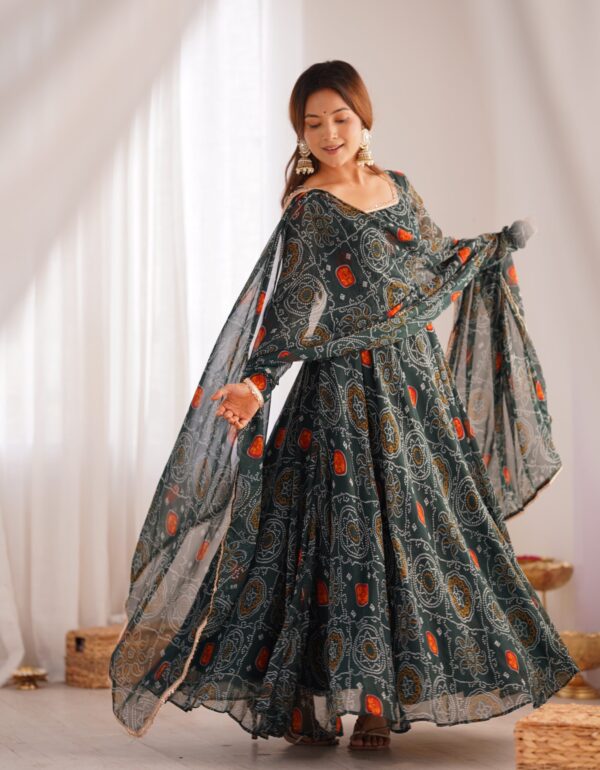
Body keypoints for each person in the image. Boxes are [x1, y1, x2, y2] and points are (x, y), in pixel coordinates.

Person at [109, 60, 580, 752]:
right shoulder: (310, 207)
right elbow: (292, 304)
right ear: (301, 135)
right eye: (313, 124)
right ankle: (311, 697)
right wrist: (256, 382)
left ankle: (383, 702)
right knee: (339, 542)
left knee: (416, 536)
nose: (329, 133)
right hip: (338, 395)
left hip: (414, 389)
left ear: (364, 120)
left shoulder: (400, 188)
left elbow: (431, 261)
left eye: (340, 118)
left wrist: (491, 246)